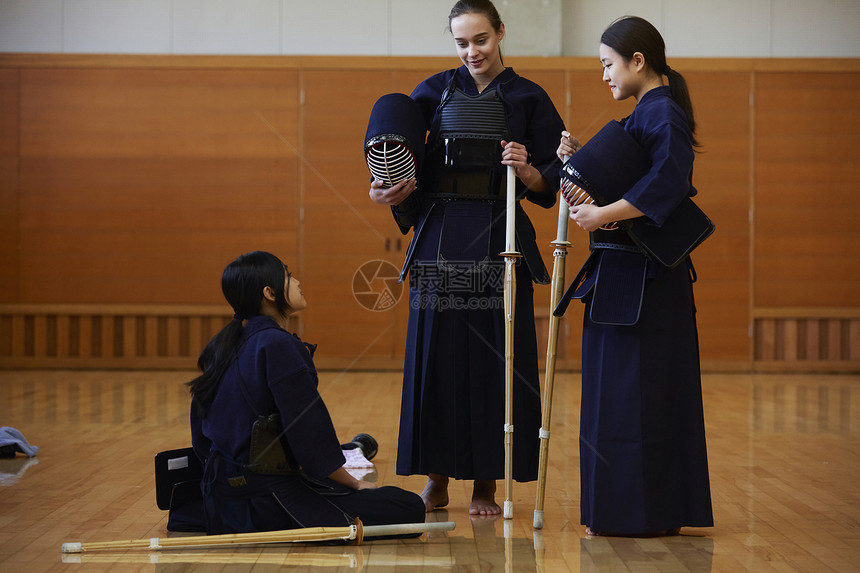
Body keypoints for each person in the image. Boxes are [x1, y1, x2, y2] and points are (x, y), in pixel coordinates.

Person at [368, 0, 565, 515]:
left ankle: (485, 482)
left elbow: (554, 183)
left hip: (500, 237)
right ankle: (435, 477)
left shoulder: (530, 97)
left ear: (500, 32)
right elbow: (401, 171)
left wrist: (526, 171)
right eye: (461, 42)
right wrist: (389, 190)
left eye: (481, 39)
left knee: (497, 356)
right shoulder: (430, 93)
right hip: (439, 237)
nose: (472, 51)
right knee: (435, 356)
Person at [556, 16, 714, 536]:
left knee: (640, 392)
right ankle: (618, 510)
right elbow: (625, 173)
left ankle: (644, 513)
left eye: (608, 64)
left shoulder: (663, 112)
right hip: (620, 271)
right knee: (614, 394)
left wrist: (601, 215)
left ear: (638, 61)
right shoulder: (646, 113)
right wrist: (580, 163)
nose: (604, 75)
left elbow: (669, 181)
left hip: (647, 277)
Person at [188, 251, 425, 534]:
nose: (297, 281)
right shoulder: (277, 345)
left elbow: (201, 440)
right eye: (288, 276)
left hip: (220, 498)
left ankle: (351, 452)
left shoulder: (220, 346)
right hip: (263, 501)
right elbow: (308, 431)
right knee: (409, 506)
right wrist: (354, 483)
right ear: (270, 293)